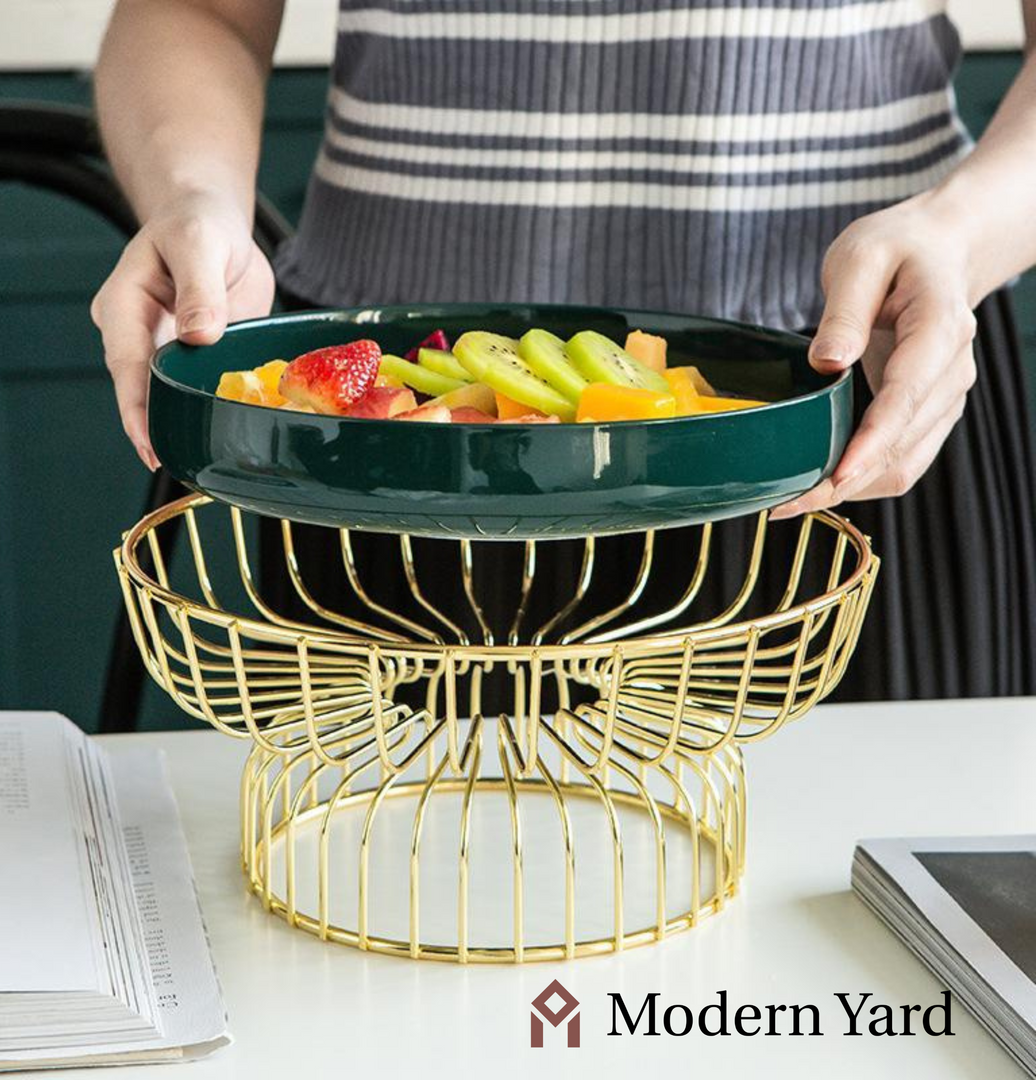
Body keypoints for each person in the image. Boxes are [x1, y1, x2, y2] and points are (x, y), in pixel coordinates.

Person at [92, 0, 1036, 700]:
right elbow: (198, 10)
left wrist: (960, 235)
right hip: (395, 430)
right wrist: (193, 196)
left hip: (846, 381)